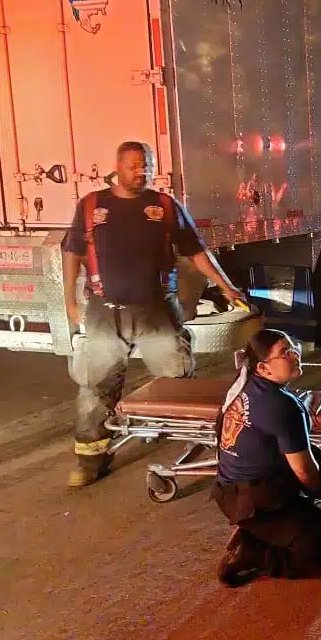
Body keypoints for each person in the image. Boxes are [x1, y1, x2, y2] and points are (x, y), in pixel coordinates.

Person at [62, 141, 244, 487]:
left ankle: (202, 452)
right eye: (133, 165)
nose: (140, 171)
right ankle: (91, 460)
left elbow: (196, 251)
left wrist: (225, 286)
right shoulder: (91, 206)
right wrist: (69, 300)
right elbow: (72, 253)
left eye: (146, 165)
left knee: (177, 384)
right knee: (95, 388)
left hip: (157, 312)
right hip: (105, 314)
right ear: (117, 166)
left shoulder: (164, 206)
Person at [213, 329, 321, 586]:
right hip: (258, 503)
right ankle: (258, 554)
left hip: (227, 492)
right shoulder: (281, 405)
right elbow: (304, 472)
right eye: (285, 352)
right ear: (264, 369)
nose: (295, 354)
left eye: (293, 347)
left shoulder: (242, 384)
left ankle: (257, 532)